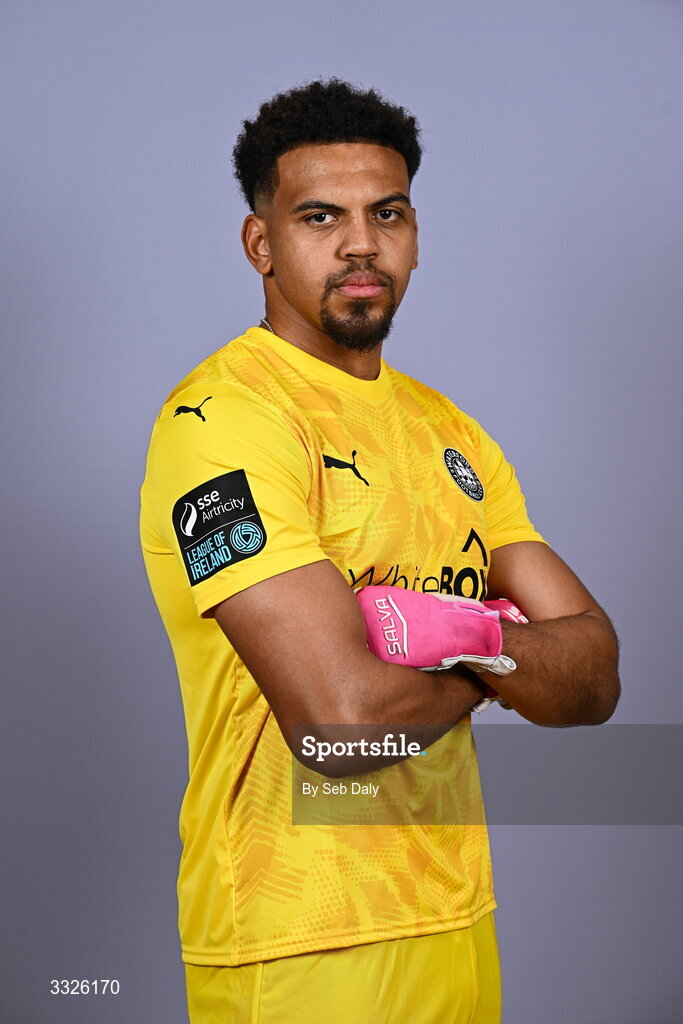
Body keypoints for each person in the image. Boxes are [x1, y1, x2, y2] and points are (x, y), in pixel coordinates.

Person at [139, 78, 620, 1024]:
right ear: (261, 243)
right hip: (298, 942)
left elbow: (595, 678)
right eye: (320, 216)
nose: (361, 243)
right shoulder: (222, 422)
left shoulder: (453, 434)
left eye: (385, 213)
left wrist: (437, 639)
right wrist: (500, 649)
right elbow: (339, 726)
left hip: (455, 916)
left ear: (412, 231)